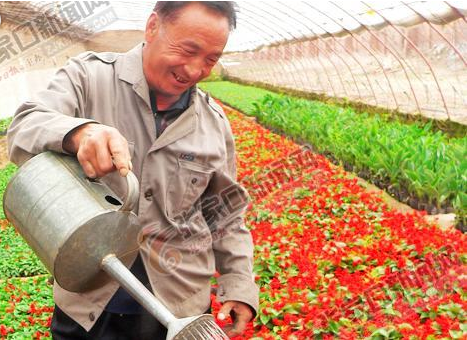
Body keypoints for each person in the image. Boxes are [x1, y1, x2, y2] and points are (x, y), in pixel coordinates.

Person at [7, 2, 258, 339]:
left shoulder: (213, 124)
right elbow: (24, 127)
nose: (196, 69)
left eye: (211, 59)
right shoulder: (88, 77)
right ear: (153, 26)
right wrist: (80, 133)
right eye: (188, 50)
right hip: (90, 307)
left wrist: (238, 284)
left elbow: (226, 215)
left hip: (179, 310)